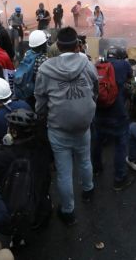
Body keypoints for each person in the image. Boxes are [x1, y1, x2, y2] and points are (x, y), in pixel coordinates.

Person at [34, 27, 98, 226]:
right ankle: (88, 191)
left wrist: (42, 116)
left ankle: (68, 212)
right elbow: (95, 89)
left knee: (64, 171)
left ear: (58, 46)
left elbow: (40, 100)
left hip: (58, 128)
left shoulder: (45, 68)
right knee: (85, 160)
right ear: (78, 45)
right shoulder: (87, 64)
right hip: (83, 126)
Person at [0, 108, 54, 238]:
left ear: (14, 133)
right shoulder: (43, 148)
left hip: (11, 211)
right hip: (39, 205)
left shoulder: (2, 157)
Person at [92, 46, 135, 191]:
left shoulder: (97, 65)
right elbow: (130, 77)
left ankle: (96, 169)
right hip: (117, 113)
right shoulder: (123, 64)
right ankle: (119, 178)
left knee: (96, 142)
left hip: (98, 112)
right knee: (120, 145)